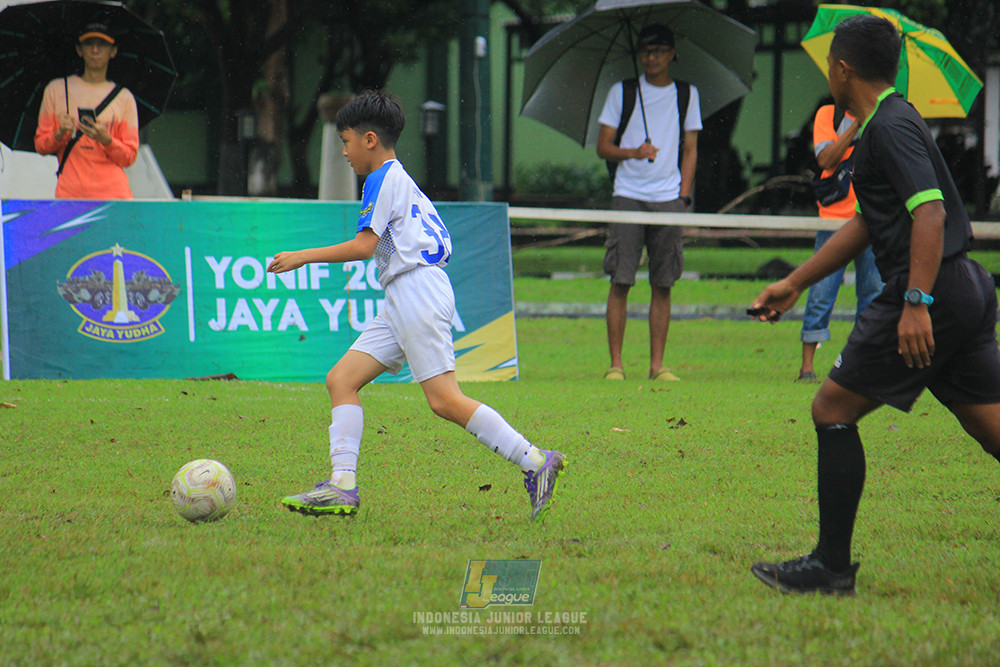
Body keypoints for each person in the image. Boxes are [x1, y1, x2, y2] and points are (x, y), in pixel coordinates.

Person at [748, 15, 1000, 595]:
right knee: (993, 431)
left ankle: (830, 567)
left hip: (932, 292)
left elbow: (930, 212)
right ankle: (829, 566)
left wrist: (915, 302)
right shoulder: (884, 123)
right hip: (962, 289)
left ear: (843, 68)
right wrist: (795, 282)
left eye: (827, 65)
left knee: (831, 408)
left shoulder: (889, 126)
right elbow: (869, 221)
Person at [267, 90, 566, 521]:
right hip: (405, 293)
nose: (345, 153)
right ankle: (343, 486)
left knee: (444, 400)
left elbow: (364, 245)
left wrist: (302, 256)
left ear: (370, 139)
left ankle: (536, 461)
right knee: (342, 380)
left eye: (346, 142)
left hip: (416, 291)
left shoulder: (382, 178)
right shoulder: (397, 178)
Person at [595, 23, 701, 382]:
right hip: (628, 195)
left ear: (672, 54)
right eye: (645, 51)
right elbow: (602, 146)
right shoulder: (622, 92)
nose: (651, 57)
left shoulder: (686, 94)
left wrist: (683, 194)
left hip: (668, 197)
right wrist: (633, 152)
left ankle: (658, 366)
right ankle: (616, 365)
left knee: (663, 281)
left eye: (658, 50)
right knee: (620, 279)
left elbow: (690, 147)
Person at [797, 103, 883, 383]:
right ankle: (807, 368)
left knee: (873, 293)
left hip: (872, 217)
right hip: (834, 221)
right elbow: (825, 159)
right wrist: (856, 126)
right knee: (821, 291)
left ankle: (863, 366)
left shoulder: (884, 116)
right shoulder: (828, 114)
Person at [34, 23, 139, 199]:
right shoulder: (57, 90)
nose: (95, 50)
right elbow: (41, 145)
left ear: (113, 51)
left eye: (103, 44)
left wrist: (106, 140)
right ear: (79, 50)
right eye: (89, 44)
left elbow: (129, 157)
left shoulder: (124, 98)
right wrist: (59, 134)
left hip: (114, 195)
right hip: (70, 195)